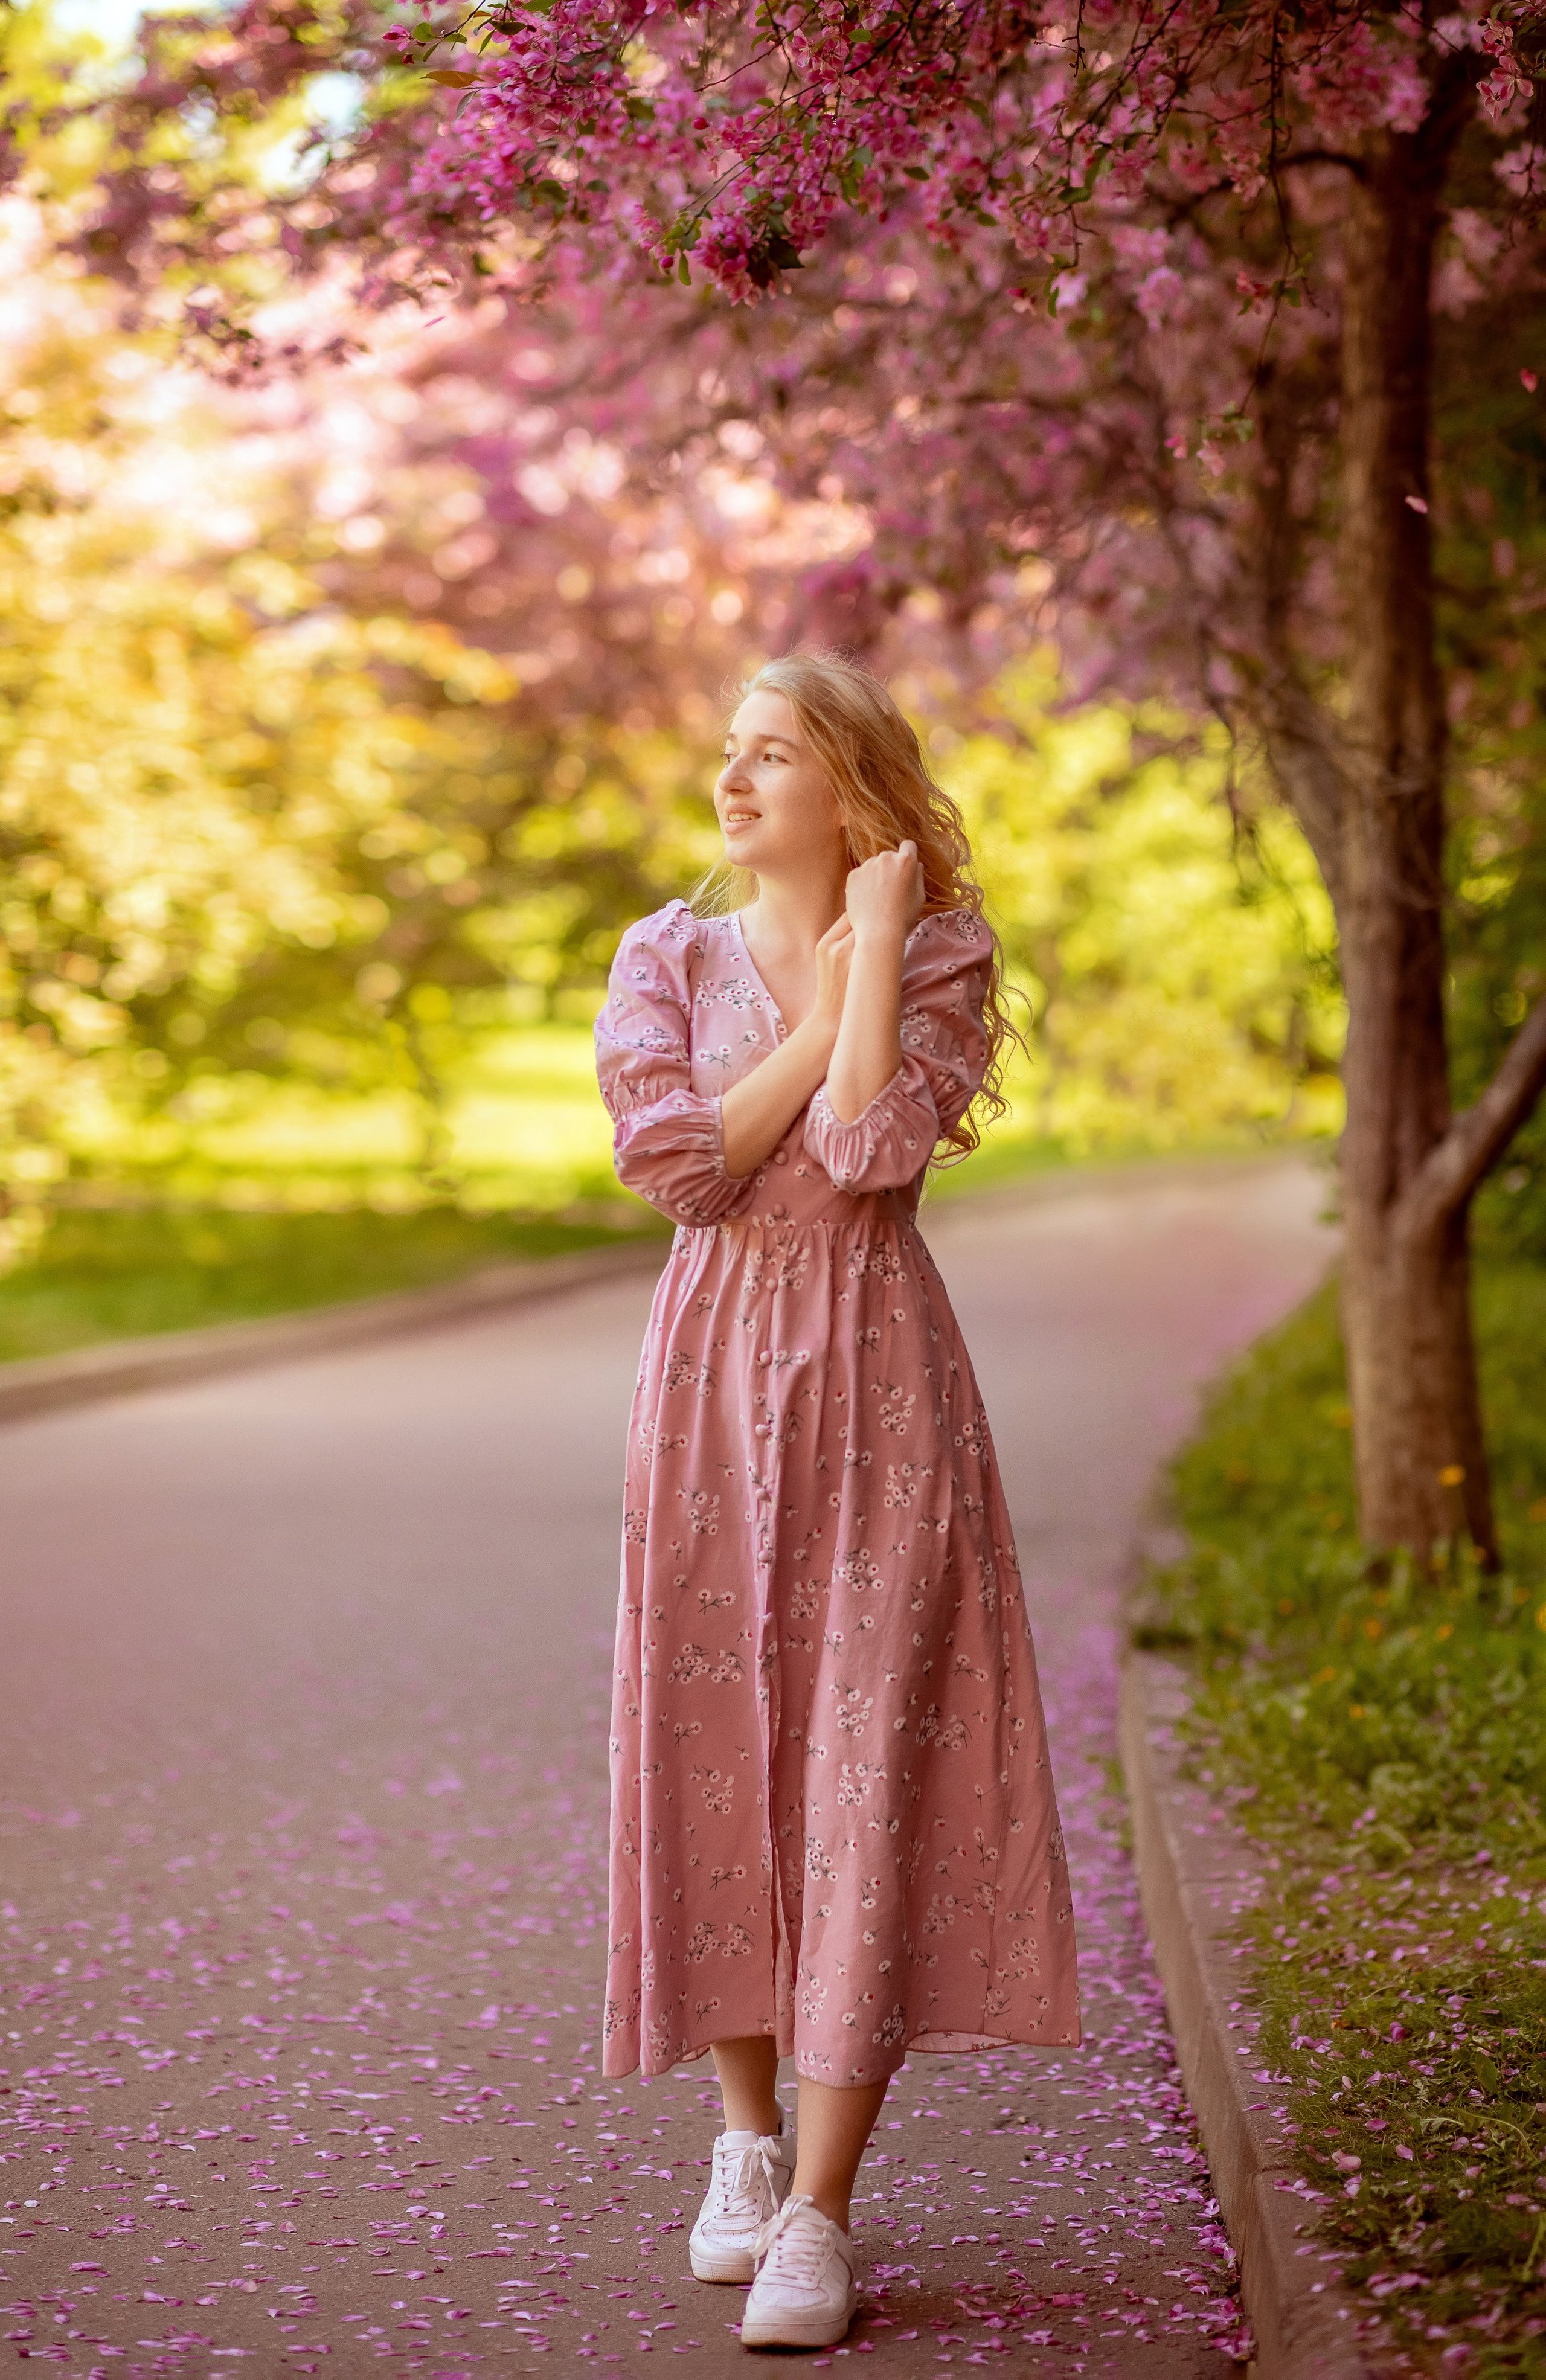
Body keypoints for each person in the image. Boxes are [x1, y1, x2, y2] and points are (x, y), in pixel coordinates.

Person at [594, 651, 1079, 2352]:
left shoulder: (940, 950)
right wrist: (815, 1012)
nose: (732, 783)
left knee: (867, 1753)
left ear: (851, 793)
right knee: (725, 1738)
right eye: (727, 751)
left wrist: (871, 949)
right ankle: (738, 2145)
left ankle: (820, 2206)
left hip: (882, 1386)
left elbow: (870, 1156)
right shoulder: (665, 955)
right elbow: (678, 1169)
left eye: (772, 755)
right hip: (714, 1380)